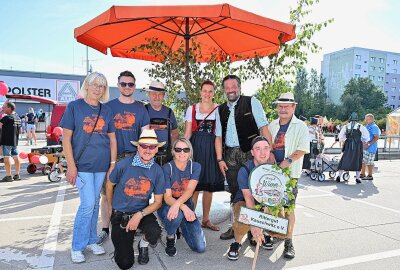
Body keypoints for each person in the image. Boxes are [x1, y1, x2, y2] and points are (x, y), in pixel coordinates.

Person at [60, 72, 117, 263]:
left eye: (101, 86)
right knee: (86, 205)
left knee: (93, 205)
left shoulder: (106, 110)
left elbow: (112, 139)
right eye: (94, 84)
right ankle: (77, 246)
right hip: (82, 165)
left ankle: (92, 240)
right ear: (87, 85)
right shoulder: (74, 107)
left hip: (101, 166)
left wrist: (112, 164)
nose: (97, 88)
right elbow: (66, 138)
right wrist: (71, 166)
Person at [215, 74, 272, 240]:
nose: (231, 90)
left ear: (239, 87)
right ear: (224, 90)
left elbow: (264, 128)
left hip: (250, 153)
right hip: (230, 155)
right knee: (234, 192)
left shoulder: (252, 101)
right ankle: (236, 227)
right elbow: (218, 136)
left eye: (234, 87)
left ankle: (256, 231)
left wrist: (268, 153)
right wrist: (220, 159)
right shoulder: (220, 109)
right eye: (227, 88)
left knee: (256, 191)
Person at [97, 70, 150, 245]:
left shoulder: (141, 108)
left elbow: (146, 133)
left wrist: (145, 156)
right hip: (111, 157)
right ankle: (106, 228)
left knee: (136, 192)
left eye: (130, 84)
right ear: (118, 85)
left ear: (134, 86)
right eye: (123, 84)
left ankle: (135, 224)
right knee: (107, 194)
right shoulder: (108, 107)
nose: (127, 87)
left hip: (133, 157)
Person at [106, 129, 165, 269]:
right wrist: (110, 206)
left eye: (152, 147)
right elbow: (109, 184)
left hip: (141, 211)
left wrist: (139, 215)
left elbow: (158, 202)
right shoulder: (124, 164)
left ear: (156, 149)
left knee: (155, 232)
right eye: (144, 146)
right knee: (125, 264)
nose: (148, 150)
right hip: (121, 213)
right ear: (138, 147)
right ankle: (124, 246)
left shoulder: (157, 171)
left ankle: (143, 244)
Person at [268, 92, 309, 259]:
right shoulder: (272, 124)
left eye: (286, 106)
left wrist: (287, 161)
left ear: (293, 107)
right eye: (280, 106)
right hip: (272, 173)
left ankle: (289, 241)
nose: (283, 109)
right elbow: (268, 145)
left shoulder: (301, 126)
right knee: (271, 204)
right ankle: (274, 233)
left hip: (290, 174)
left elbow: (302, 149)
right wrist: (270, 156)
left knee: (288, 208)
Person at [184, 79, 223, 231]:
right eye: (204, 90)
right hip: (196, 148)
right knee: (194, 186)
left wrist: (220, 156)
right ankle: (190, 218)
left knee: (209, 186)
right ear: (200, 92)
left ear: (214, 93)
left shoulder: (219, 109)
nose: (207, 94)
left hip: (212, 148)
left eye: (210, 91)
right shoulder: (192, 109)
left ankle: (206, 219)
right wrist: (182, 150)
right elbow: (187, 133)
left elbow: (219, 134)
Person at [227, 136, 273, 261]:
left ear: (270, 150)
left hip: (263, 201)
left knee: (277, 215)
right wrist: (254, 223)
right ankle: (237, 242)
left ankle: (263, 234)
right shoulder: (245, 170)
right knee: (244, 216)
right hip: (244, 200)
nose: (262, 153)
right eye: (258, 149)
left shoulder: (274, 170)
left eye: (265, 148)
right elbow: (249, 199)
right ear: (252, 152)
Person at [158, 137, 206, 256]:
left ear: (190, 152)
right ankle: (170, 236)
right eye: (178, 149)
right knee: (176, 215)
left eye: (186, 149)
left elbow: (190, 191)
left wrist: (183, 206)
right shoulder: (167, 168)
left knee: (200, 247)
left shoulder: (195, 167)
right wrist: (182, 207)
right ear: (173, 151)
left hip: (186, 203)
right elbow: (167, 197)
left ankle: (182, 227)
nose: (182, 153)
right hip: (167, 205)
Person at [144, 80, 179, 166]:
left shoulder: (169, 112)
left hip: (166, 156)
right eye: (154, 94)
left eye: (160, 94)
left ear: (163, 96)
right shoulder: (143, 110)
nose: (157, 97)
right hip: (147, 155)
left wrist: (172, 150)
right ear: (149, 95)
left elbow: (175, 133)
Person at [336, 112, 369, 184]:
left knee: (345, 159)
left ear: (350, 118)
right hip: (357, 145)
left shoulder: (346, 126)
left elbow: (340, 137)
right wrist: (363, 141)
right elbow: (367, 136)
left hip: (348, 145)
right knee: (358, 159)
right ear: (357, 119)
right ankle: (357, 178)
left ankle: (339, 176)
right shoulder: (360, 126)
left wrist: (346, 140)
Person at [0, 102, 22, 182]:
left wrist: (1, 113)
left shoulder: (7, 117)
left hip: (7, 140)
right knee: (16, 156)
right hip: (14, 141)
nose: (3, 109)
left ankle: (8, 176)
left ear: (9, 108)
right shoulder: (17, 118)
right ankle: (17, 174)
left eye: (4, 107)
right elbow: (20, 130)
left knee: (7, 157)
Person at [361, 114, 380, 180]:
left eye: (368, 119)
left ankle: (370, 175)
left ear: (372, 119)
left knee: (370, 162)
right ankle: (362, 174)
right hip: (364, 146)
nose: (366, 120)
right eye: (365, 119)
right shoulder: (367, 126)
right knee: (363, 160)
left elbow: (376, 137)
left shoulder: (374, 127)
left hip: (371, 148)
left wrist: (368, 144)